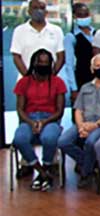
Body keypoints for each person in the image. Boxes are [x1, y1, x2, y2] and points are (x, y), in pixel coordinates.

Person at [58, 54, 100, 186]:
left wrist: (96, 125)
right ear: (92, 69)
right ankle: (90, 163)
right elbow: (78, 109)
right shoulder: (85, 87)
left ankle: (86, 173)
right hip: (84, 123)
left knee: (90, 141)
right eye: (98, 66)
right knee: (63, 142)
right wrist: (81, 126)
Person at [12, 49, 66, 191]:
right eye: (40, 62)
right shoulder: (24, 82)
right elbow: (20, 109)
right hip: (28, 119)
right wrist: (32, 123)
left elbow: (59, 111)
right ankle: (42, 171)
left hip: (50, 119)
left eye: (46, 62)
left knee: (49, 138)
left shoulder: (58, 82)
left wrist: (44, 122)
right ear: (33, 63)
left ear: (51, 64)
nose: (43, 65)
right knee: (19, 139)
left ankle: (45, 169)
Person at [10, 0, 64, 78]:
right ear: (29, 11)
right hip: (26, 82)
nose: (39, 11)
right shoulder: (19, 31)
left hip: (51, 82)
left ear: (46, 12)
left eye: (42, 8)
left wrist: (51, 76)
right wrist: (28, 78)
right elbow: (16, 57)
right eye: (35, 8)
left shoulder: (57, 30)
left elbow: (61, 57)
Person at [59, 3, 95, 101]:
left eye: (86, 14)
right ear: (74, 16)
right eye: (80, 15)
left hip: (98, 77)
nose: (84, 17)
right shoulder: (71, 37)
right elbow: (69, 65)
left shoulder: (97, 33)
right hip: (81, 78)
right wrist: (74, 89)